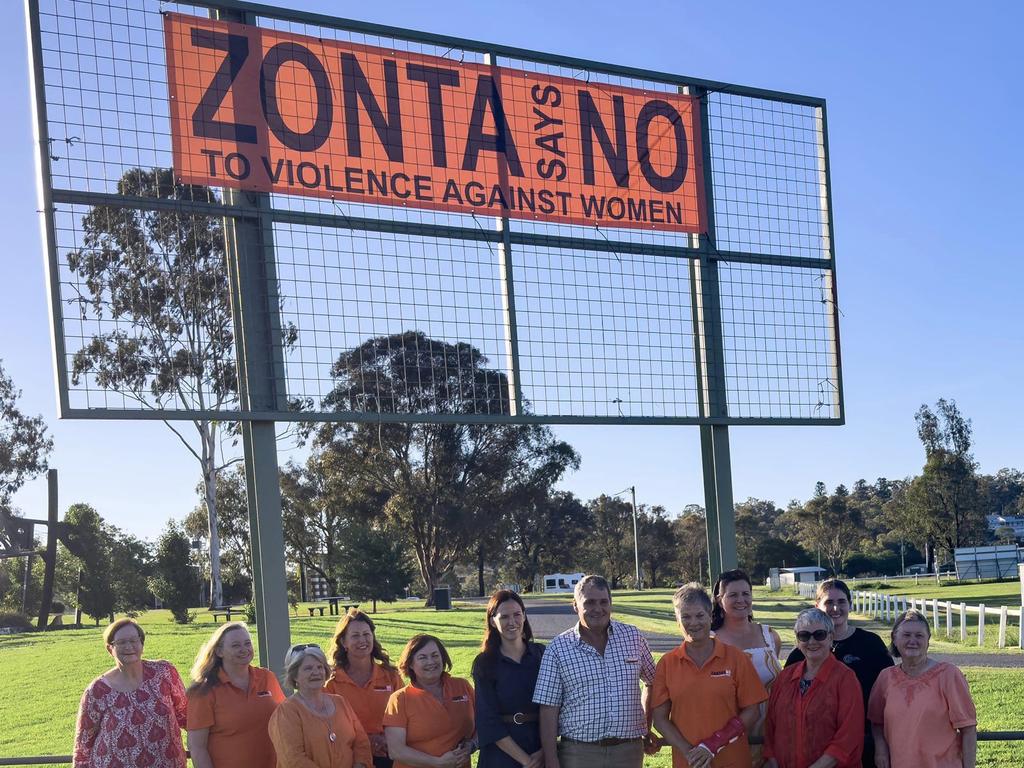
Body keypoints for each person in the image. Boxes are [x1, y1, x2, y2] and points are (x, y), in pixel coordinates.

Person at [533, 574, 657, 768]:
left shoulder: (632, 637)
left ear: (611, 603)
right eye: (589, 603)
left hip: (628, 751)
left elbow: (653, 681)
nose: (597, 609)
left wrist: (646, 726)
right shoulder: (558, 648)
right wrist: (551, 759)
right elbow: (548, 708)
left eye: (603, 602)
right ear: (575, 605)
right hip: (579, 753)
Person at [651, 583, 767, 768]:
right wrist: (692, 753)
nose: (694, 623)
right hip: (688, 763)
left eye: (699, 615)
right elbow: (660, 719)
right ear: (677, 620)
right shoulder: (667, 663)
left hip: (733, 761)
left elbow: (752, 711)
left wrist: (712, 745)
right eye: (686, 617)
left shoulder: (736, 658)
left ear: (710, 616)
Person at [785, 579, 892, 767]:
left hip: (865, 740)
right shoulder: (801, 653)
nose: (835, 608)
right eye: (829, 602)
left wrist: (881, 743)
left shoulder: (871, 644)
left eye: (841, 602)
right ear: (817, 605)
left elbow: (889, 694)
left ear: (850, 604)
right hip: (813, 747)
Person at [868, 610, 977, 768]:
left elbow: (968, 729)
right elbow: (876, 722)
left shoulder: (948, 674)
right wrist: (881, 749)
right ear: (894, 638)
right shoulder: (886, 677)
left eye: (919, 635)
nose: (913, 641)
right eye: (906, 635)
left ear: (928, 640)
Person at [73, 618, 188, 768]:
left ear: (142, 644)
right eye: (121, 643)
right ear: (110, 649)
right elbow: (83, 745)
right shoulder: (97, 690)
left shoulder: (164, 673)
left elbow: (187, 715)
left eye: (134, 640)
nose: (129, 647)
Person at [763, 609, 864, 768]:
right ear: (797, 641)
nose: (812, 641)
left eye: (819, 635)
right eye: (804, 636)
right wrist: (773, 762)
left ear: (830, 638)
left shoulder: (845, 679)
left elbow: (849, 735)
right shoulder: (785, 677)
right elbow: (770, 727)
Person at [186, 622, 285, 768]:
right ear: (219, 652)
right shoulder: (203, 691)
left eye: (247, 643)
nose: (244, 649)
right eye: (235, 645)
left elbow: (286, 719)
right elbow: (197, 747)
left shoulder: (266, 677)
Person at [711, 569, 782, 766]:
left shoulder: (770, 636)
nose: (741, 600)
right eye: (733, 595)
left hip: (770, 740)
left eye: (746, 594)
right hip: (728, 741)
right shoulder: (709, 641)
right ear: (719, 599)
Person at [269, 643, 373, 768]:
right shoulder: (286, 712)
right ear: (295, 675)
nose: (316, 672)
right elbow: (293, 759)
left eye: (320, 667)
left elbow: (361, 742)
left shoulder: (340, 702)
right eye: (308, 668)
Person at [472, 590, 545, 768]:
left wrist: (544, 752)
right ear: (492, 621)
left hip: (540, 748)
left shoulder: (541, 655)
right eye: (504, 617)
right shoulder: (485, 663)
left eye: (517, 615)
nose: (512, 622)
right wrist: (526, 761)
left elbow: (556, 707)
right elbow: (488, 719)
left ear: (524, 616)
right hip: (500, 754)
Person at [326, 609, 405, 768]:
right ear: (343, 642)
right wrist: (367, 740)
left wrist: (386, 740)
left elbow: (405, 717)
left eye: (366, 634)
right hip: (348, 757)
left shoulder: (391, 677)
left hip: (389, 754)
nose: (362, 640)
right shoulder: (330, 683)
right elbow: (325, 726)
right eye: (355, 636)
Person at [384, 634, 476, 768]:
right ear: (410, 664)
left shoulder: (462, 686)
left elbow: (485, 722)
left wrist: (472, 745)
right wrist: (438, 763)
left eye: (435, 655)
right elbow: (396, 751)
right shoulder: (399, 699)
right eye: (422, 657)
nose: (430, 662)